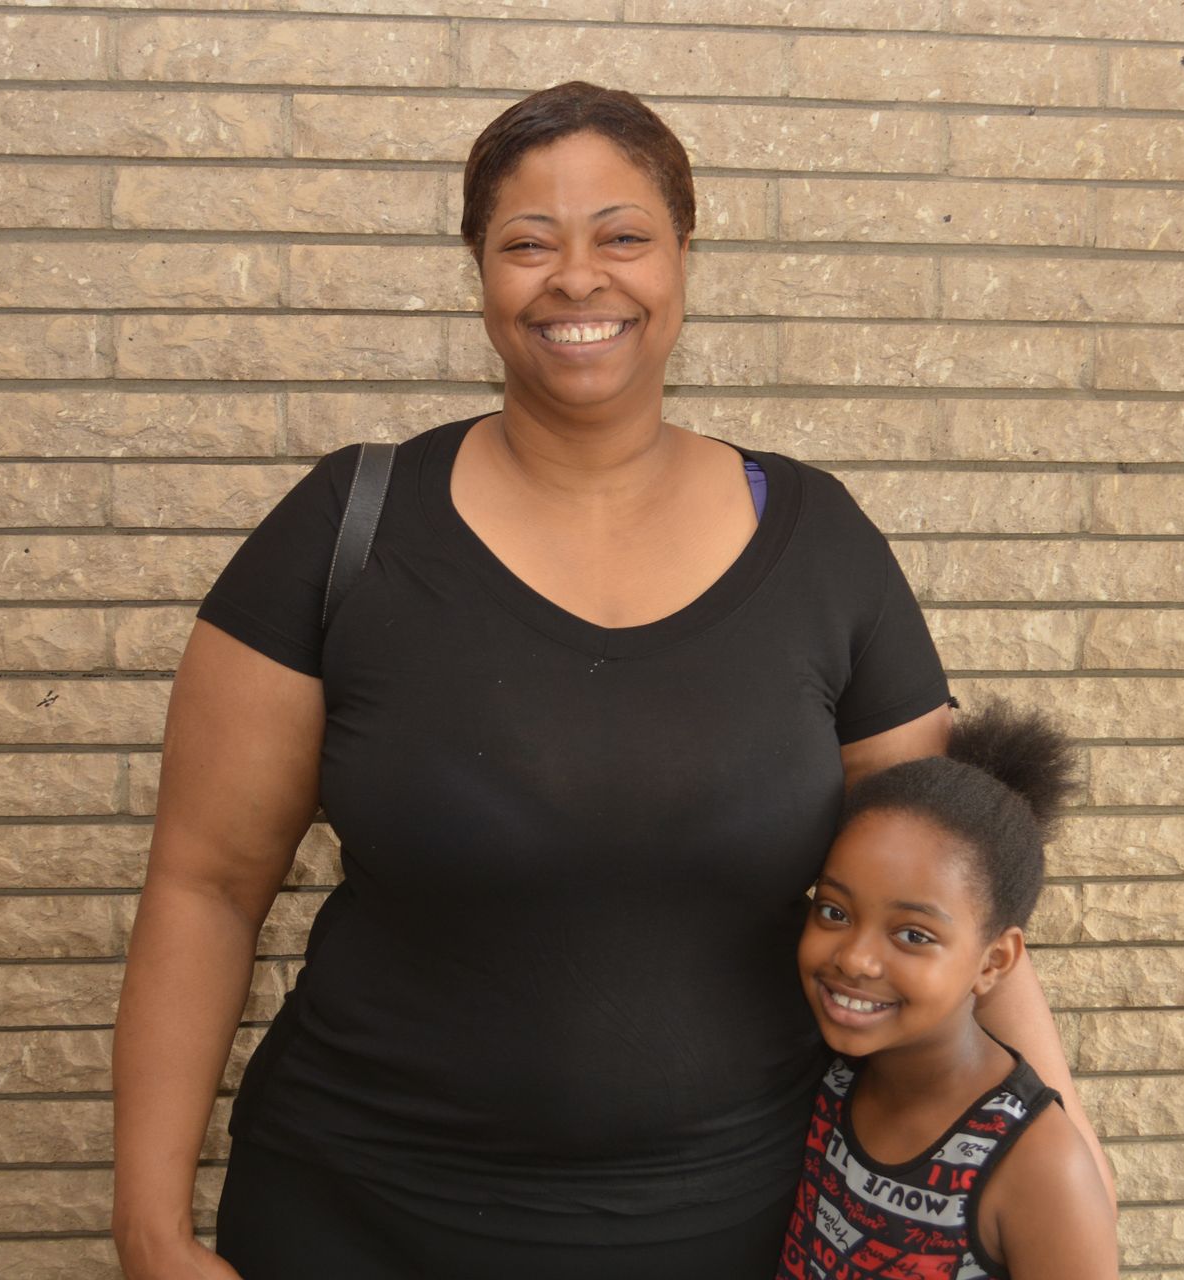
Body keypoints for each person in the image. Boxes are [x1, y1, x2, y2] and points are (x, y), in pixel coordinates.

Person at [110, 81, 1110, 1279]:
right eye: (529, 243)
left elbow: (956, 873)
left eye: (623, 236)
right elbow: (209, 884)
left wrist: (1054, 1142)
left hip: (733, 1221)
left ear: (682, 254)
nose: (577, 278)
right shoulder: (349, 530)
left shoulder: (820, 544)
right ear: (480, 271)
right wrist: (151, 1226)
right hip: (355, 1211)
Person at [781, 703, 1117, 1280]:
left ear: (994, 961)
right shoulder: (832, 1080)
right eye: (835, 911)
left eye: (913, 934)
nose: (855, 958)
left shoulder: (1037, 1165)